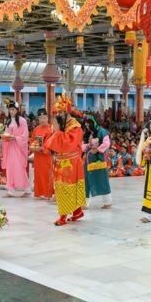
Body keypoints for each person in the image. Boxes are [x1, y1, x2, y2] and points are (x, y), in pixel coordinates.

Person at [44, 94, 86, 226]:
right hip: (59, 161)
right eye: (57, 112)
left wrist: (56, 132)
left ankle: (63, 215)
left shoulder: (75, 126)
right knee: (62, 189)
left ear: (67, 112)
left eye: (61, 112)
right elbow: (52, 141)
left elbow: (68, 144)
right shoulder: (59, 125)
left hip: (71, 163)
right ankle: (77, 211)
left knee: (66, 189)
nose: (59, 115)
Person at [1, 100, 31, 197]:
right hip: (10, 147)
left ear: (17, 110)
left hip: (18, 147)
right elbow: (6, 132)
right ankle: (10, 189)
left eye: (13, 109)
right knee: (10, 167)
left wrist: (15, 138)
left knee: (19, 167)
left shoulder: (22, 121)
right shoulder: (8, 121)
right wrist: (5, 136)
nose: (11, 112)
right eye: (10, 110)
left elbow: (25, 135)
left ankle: (26, 188)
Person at [82, 116, 112, 209]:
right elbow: (84, 145)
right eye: (86, 124)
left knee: (102, 180)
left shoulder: (102, 131)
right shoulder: (89, 133)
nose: (87, 126)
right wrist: (87, 146)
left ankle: (108, 202)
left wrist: (98, 149)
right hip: (88, 160)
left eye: (88, 124)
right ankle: (85, 203)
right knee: (86, 180)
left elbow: (107, 143)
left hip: (99, 160)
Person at [30, 108, 54, 199]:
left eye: (44, 117)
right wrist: (32, 147)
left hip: (46, 156)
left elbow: (50, 143)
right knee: (38, 175)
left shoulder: (50, 130)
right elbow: (32, 140)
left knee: (47, 174)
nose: (42, 120)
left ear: (47, 118)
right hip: (38, 156)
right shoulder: (36, 129)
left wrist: (42, 149)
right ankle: (39, 193)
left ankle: (47, 193)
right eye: (40, 118)